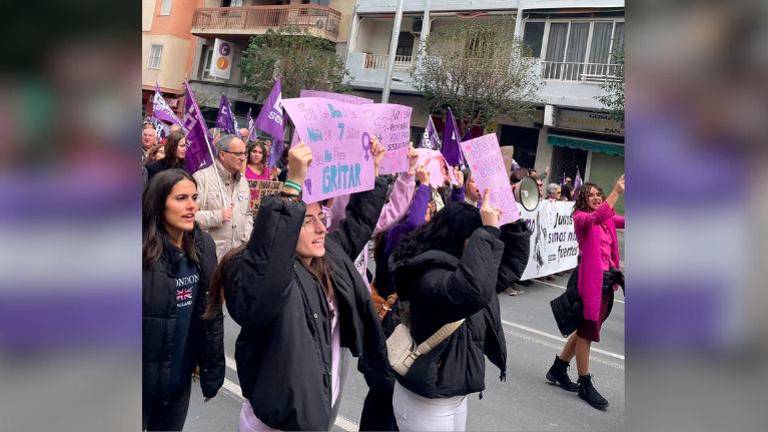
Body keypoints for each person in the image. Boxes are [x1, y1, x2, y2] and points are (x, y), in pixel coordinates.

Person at [206, 141, 392, 431]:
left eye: (321, 218)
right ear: (287, 226)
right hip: (274, 422)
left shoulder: (328, 257)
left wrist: (373, 173)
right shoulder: (261, 274)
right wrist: (293, 184)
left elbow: (358, 224)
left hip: (314, 408)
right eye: (306, 221)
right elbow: (261, 286)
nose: (321, 228)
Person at [388, 191, 529, 431]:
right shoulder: (430, 273)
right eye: (476, 236)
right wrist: (488, 232)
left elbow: (509, 267)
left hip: (452, 394)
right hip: (427, 401)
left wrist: (513, 224)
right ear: (462, 238)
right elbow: (473, 291)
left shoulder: (465, 271)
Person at [142, 169, 224, 431]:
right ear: (158, 203)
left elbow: (211, 315)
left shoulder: (204, 246)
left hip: (179, 382)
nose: (191, 206)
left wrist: (211, 371)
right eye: (181, 198)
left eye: (194, 197)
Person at [545, 175, 625, 410]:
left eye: (599, 195)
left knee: (583, 331)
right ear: (583, 200)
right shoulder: (581, 218)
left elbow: (620, 219)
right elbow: (595, 217)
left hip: (607, 283)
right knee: (587, 333)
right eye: (591, 195)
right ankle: (584, 383)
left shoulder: (606, 218)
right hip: (591, 285)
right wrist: (616, 191)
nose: (597, 198)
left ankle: (558, 369)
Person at [193, 134, 253, 261]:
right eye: (238, 154)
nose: (243, 158)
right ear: (222, 155)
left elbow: (248, 214)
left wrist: (246, 237)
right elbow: (190, 217)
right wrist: (217, 216)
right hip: (210, 257)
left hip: (238, 257)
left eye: (244, 153)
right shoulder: (201, 178)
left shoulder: (243, 182)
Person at [244, 140, 271, 205]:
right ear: (249, 153)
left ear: (263, 155)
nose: (257, 155)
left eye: (260, 152)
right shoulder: (243, 167)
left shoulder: (266, 170)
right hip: (246, 204)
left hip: (262, 205)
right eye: (254, 151)